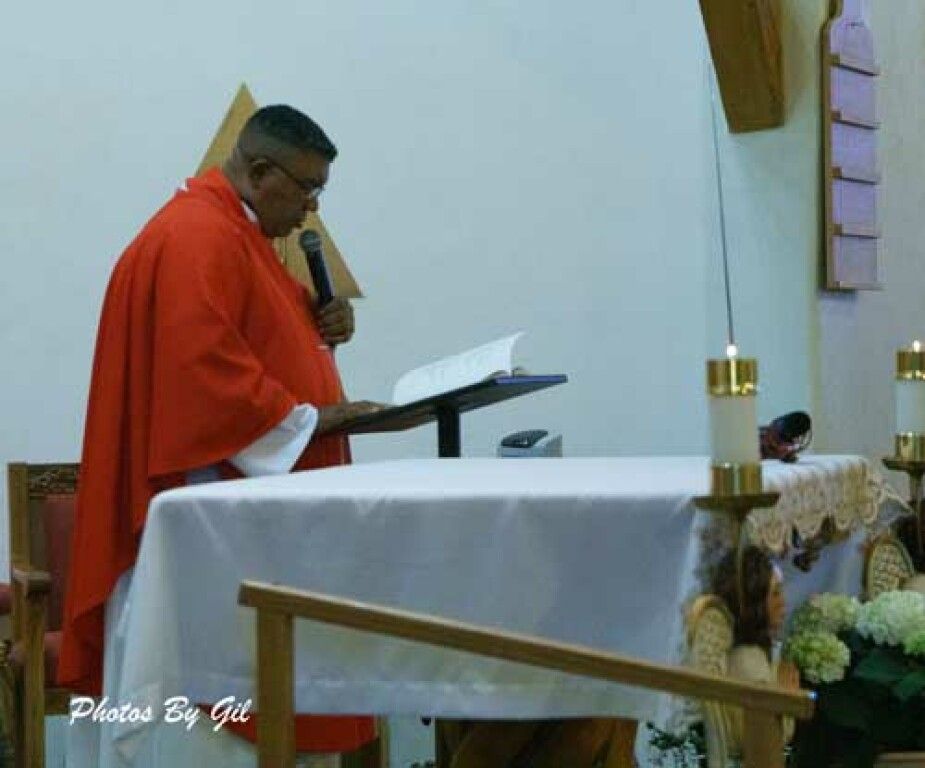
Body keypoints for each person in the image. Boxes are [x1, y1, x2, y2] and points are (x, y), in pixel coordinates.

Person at [59, 104, 384, 764]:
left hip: (247, 529)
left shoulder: (236, 237)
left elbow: (257, 341)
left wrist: (317, 320)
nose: (311, 211)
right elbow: (203, 377)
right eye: (307, 189)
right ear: (261, 170)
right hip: (216, 539)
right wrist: (318, 419)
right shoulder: (197, 237)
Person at [712, 547, 798, 753]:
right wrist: (789, 697)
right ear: (755, 602)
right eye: (775, 593)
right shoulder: (749, 664)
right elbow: (764, 740)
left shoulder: (753, 653)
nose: (783, 602)